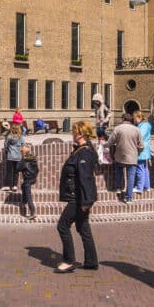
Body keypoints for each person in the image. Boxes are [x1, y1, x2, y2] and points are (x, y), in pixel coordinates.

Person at [54, 120, 99, 273]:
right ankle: (91, 261)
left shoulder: (84, 152)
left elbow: (85, 178)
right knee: (83, 226)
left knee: (62, 226)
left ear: (80, 133)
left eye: (74, 131)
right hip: (79, 196)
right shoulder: (82, 150)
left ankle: (69, 260)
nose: (72, 133)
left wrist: (86, 201)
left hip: (78, 197)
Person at [107, 111, 141, 203]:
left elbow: (110, 142)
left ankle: (118, 188)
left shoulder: (117, 128)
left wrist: (103, 145)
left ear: (123, 119)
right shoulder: (136, 129)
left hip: (120, 156)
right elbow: (141, 144)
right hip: (132, 157)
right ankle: (128, 197)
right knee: (131, 177)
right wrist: (137, 152)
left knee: (119, 171)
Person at [19, 143, 39, 220]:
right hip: (33, 178)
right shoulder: (33, 158)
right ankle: (24, 201)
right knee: (22, 185)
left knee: (28, 195)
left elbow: (17, 168)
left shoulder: (23, 160)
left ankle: (33, 212)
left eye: (21, 152)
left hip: (27, 180)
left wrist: (21, 160)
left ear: (23, 152)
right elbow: (37, 169)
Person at [135, 110, 153, 193]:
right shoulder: (144, 125)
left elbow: (140, 137)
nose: (134, 120)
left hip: (142, 150)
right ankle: (146, 186)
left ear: (139, 117)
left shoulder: (144, 125)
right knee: (144, 168)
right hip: (145, 149)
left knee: (140, 167)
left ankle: (139, 187)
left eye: (135, 118)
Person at [2, 124, 24, 191]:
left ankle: (8, 186)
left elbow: (6, 146)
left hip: (10, 156)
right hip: (18, 157)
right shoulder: (21, 137)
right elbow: (23, 146)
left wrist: (7, 150)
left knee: (9, 172)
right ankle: (15, 186)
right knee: (16, 172)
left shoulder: (9, 137)